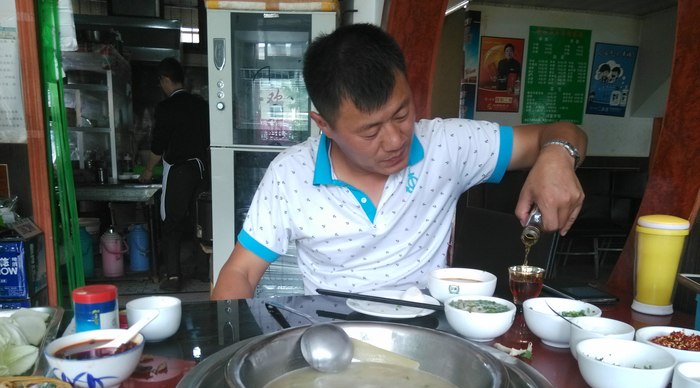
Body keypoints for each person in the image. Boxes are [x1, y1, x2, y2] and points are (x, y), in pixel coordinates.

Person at [211, 24, 586, 300]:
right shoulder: (290, 173)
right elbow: (241, 272)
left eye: (402, 114)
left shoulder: (447, 145)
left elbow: (564, 132)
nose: (395, 140)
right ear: (325, 126)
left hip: (426, 335)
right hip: (334, 343)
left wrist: (557, 155)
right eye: (370, 131)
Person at [140, 57, 210, 291]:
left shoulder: (166, 107)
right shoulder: (200, 105)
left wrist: (148, 170)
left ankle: (173, 277)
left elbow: (158, 145)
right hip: (202, 169)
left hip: (179, 172)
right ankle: (203, 271)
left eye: (161, 82)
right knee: (200, 221)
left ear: (165, 80)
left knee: (172, 223)